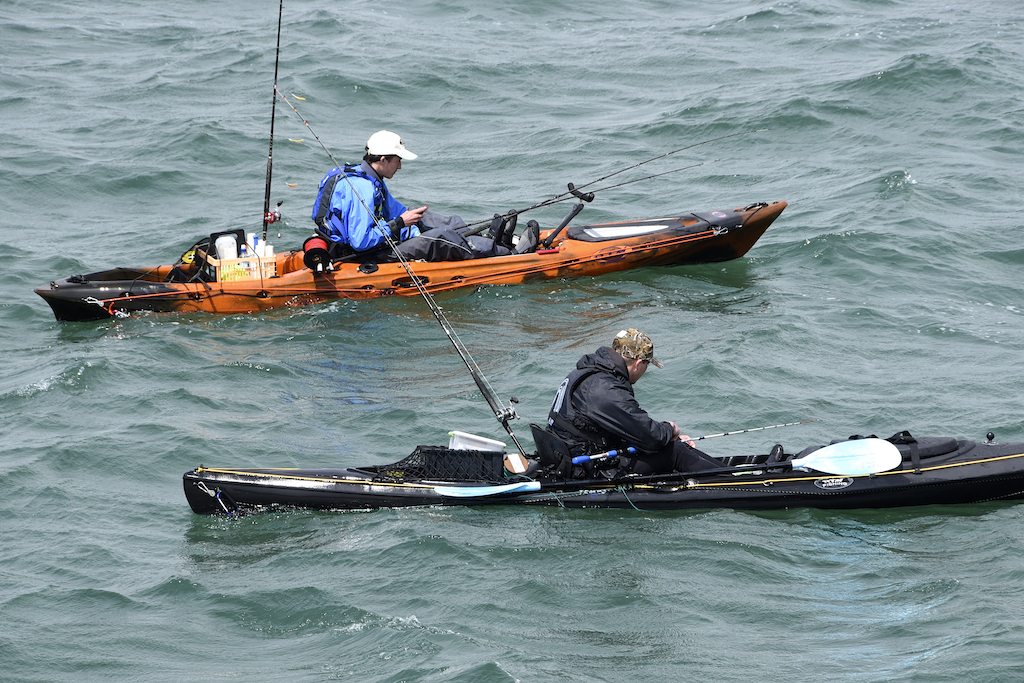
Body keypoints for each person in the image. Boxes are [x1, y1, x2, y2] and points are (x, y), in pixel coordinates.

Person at [311, 131, 532, 262]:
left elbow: (396, 211)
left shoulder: (368, 178)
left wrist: (414, 222)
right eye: (398, 160)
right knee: (441, 238)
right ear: (384, 159)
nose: (400, 166)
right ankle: (507, 253)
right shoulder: (361, 188)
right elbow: (360, 242)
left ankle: (486, 240)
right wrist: (400, 224)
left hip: (372, 240)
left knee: (437, 220)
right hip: (361, 254)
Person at [545, 328, 722, 475]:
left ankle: (724, 472)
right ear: (638, 364)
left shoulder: (588, 373)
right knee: (676, 452)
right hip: (585, 468)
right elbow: (651, 437)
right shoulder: (606, 389)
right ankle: (732, 480)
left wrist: (667, 439)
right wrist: (670, 429)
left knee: (672, 445)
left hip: (567, 457)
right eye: (647, 365)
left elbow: (628, 429)